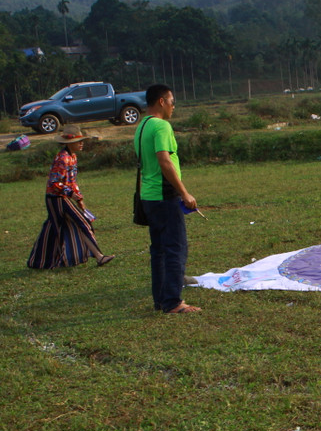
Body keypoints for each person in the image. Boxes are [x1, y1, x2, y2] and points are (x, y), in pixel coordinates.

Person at [135, 84, 201, 314]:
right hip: (165, 197)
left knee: (160, 250)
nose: (174, 107)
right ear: (162, 102)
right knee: (176, 248)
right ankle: (173, 302)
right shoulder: (161, 126)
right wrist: (184, 193)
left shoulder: (142, 125)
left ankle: (161, 300)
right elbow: (164, 160)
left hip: (149, 197)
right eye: (172, 102)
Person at [27, 125, 114, 269]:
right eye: (78, 141)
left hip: (63, 198)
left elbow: (71, 181)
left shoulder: (72, 157)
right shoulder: (62, 158)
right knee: (82, 223)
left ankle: (40, 261)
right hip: (57, 198)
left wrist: (79, 198)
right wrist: (70, 194)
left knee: (54, 228)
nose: (82, 143)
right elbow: (54, 182)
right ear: (69, 143)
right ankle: (99, 256)